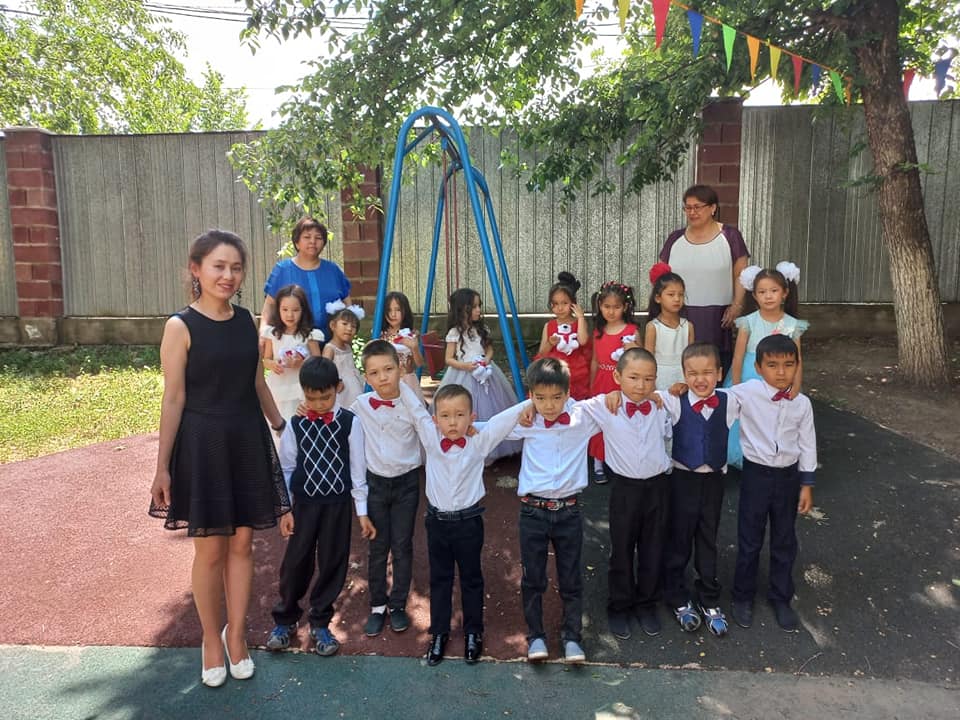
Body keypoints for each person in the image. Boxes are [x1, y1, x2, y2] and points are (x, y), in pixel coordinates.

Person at [149, 229, 291, 688]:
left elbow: (256, 382)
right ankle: (211, 638)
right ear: (196, 269)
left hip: (246, 440)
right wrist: (162, 467)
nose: (228, 275)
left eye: (236, 268)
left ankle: (237, 635)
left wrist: (282, 426)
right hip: (203, 445)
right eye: (218, 266)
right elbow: (174, 398)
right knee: (210, 550)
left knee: (243, 545)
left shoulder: (247, 320)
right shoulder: (180, 326)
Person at [396, 382, 526, 667]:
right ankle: (439, 633)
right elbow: (416, 410)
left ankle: (473, 632)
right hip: (437, 524)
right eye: (445, 416)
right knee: (440, 579)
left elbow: (502, 422)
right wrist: (399, 382)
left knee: (471, 578)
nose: (452, 422)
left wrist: (531, 404)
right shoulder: (431, 438)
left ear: (472, 417)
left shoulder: (479, 441)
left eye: (459, 415)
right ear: (435, 419)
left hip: (469, 523)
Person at [266, 357, 376, 656]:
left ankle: (320, 622)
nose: (318, 404)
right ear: (303, 391)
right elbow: (287, 467)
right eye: (311, 398)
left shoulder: (350, 423)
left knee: (333, 562)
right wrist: (285, 509)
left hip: (336, 506)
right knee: (295, 562)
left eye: (325, 397)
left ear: (338, 388)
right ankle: (286, 619)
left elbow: (358, 471)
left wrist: (362, 512)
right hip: (304, 505)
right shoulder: (296, 423)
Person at [505, 357, 602, 664]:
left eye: (556, 397)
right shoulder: (527, 419)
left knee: (571, 577)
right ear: (531, 395)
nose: (549, 406)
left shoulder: (583, 416)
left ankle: (573, 637)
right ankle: (535, 636)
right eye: (540, 398)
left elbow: (617, 404)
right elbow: (492, 429)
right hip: (532, 512)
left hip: (569, 512)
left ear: (568, 392)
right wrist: (524, 408)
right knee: (533, 578)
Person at [726, 335, 817, 633]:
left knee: (784, 539)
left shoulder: (802, 403)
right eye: (772, 365)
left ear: (797, 366)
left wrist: (806, 484)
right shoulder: (746, 393)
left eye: (788, 365)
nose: (780, 372)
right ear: (758, 367)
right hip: (756, 475)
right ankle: (742, 596)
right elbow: (713, 399)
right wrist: (677, 390)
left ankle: (781, 597)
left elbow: (808, 443)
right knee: (750, 538)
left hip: (788, 478)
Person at [585, 348, 672, 639]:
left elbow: (689, 395)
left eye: (648, 379)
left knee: (653, 547)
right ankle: (619, 605)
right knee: (621, 549)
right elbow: (568, 408)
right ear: (617, 376)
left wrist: (669, 392)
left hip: (658, 488)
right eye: (633, 377)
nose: (641, 385)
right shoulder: (605, 405)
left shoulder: (661, 403)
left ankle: (647, 603)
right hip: (625, 489)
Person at [656, 343, 738, 637]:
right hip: (682, 481)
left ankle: (709, 598)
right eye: (692, 373)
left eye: (707, 372)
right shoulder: (674, 399)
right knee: (679, 539)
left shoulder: (731, 400)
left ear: (719, 373)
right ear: (684, 374)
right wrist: (614, 395)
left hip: (714, 482)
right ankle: (677, 596)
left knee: (708, 538)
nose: (700, 379)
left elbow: (768, 395)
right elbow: (640, 395)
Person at [349, 340, 423, 637]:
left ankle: (398, 604)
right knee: (378, 546)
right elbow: (336, 422)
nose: (383, 378)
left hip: (407, 484)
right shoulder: (360, 406)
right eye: (374, 372)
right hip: (376, 486)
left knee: (402, 545)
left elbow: (430, 430)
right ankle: (378, 605)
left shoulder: (412, 402)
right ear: (366, 377)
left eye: (389, 369)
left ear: (399, 368)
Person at [725, 263, 808, 468]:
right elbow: (738, 357)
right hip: (750, 376)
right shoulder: (748, 322)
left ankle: (774, 455)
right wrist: (737, 387)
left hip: (781, 376)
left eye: (774, 291)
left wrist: (796, 385)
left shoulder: (792, 325)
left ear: (785, 293)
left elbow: (797, 360)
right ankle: (748, 456)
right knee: (751, 417)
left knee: (776, 418)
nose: (768, 296)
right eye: (762, 292)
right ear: (754, 296)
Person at [659, 185, 750, 372]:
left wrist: (736, 305)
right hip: (680, 313)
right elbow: (661, 276)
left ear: (713, 208)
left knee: (712, 366)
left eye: (697, 207)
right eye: (688, 207)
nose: (692, 212)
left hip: (716, 317)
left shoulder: (730, 236)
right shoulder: (675, 239)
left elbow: (741, 275)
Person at [439, 288, 521, 463]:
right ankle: (466, 446)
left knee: (492, 407)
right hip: (463, 374)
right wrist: (465, 366)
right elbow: (448, 359)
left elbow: (489, 349)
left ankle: (490, 448)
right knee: (466, 407)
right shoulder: (455, 333)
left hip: (485, 371)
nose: (478, 310)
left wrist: (486, 359)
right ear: (463, 309)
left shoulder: (481, 329)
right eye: (474, 307)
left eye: (479, 306)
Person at [261, 217, 353, 337]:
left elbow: (347, 302)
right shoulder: (282, 270)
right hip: (293, 342)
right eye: (307, 237)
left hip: (332, 341)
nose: (313, 241)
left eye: (318, 238)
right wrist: (263, 331)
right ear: (297, 242)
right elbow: (269, 305)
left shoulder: (333, 270)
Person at [588, 281, 640, 483]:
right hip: (602, 382)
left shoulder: (631, 331)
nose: (611, 311)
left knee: (623, 422)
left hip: (623, 384)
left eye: (616, 307)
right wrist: (592, 384)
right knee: (601, 421)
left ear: (625, 307)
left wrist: (633, 347)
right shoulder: (598, 332)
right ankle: (598, 462)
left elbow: (640, 359)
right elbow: (594, 360)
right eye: (606, 306)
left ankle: (620, 461)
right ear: (600, 306)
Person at [261, 284, 325, 420]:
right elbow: (266, 359)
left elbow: (318, 363)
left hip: (301, 387)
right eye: (284, 309)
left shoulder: (309, 335)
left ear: (303, 310)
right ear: (278, 309)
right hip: (278, 386)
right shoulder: (272, 334)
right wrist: (272, 364)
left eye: (295, 310)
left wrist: (302, 364)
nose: (289, 315)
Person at [535, 272, 591, 400]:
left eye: (564, 303)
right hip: (555, 371)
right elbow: (542, 352)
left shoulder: (579, 323)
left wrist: (581, 317)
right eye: (555, 304)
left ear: (573, 303)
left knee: (575, 401)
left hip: (576, 370)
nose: (560, 308)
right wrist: (550, 343)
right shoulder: (549, 325)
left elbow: (583, 341)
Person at [644, 263, 694, 391]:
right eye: (671, 294)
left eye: (681, 294)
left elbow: (691, 359)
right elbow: (648, 360)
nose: (677, 299)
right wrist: (650, 386)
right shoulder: (653, 327)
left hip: (683, 379)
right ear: (658, 298)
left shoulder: (688, 326)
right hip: (659, 379)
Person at [378, 290, 427, 405]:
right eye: (389, 310)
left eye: (398, 310)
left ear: (405, 311)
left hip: (407, 379)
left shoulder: (411, 334)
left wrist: (414, 348)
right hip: (386, 379)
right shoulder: (380, 334)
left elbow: (419, 363)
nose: (393, 314)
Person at [323, 308, 365, 409]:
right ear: (333, 325)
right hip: (341, 390)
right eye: (345, 324)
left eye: (353, 326)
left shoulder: (348, 347)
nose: (349, 328)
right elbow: (324, 370)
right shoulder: (330, 348)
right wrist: (335, 381)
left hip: (354, 384)